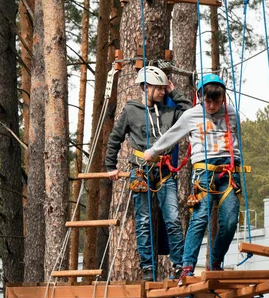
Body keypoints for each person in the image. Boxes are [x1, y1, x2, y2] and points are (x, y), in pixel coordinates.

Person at [143, 74, 246, 283]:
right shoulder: (192, 115)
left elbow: (237, 139)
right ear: (200, 97)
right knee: (200, 218)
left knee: (229, 221)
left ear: (223, 99)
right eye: (207, 101)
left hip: (228, 172)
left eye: (217, 101)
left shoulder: (232, 114)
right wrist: (153, 152)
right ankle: (187, 265)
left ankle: (215, 262)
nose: (212, 105)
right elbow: (172, 134)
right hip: (204, 173)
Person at [105, 66, 192, 281]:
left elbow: (191, 113)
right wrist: (110, 166)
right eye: (159, 88)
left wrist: (174, 92)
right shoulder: (131, 111)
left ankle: (179, 265)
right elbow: (115, 138)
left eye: (164, 88)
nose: (163, 92)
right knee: (143, 220)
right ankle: (148, 269)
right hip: (140, 171)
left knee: (172, 219)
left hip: (164, 171)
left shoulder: (169, 111)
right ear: (146, 87)